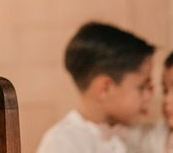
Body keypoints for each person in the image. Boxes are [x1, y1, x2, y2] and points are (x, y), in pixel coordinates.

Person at [36, 21, 155, 153]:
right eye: (142, 87)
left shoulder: (142, 133)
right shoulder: (61, 143)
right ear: (105, 88)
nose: (149, 95)